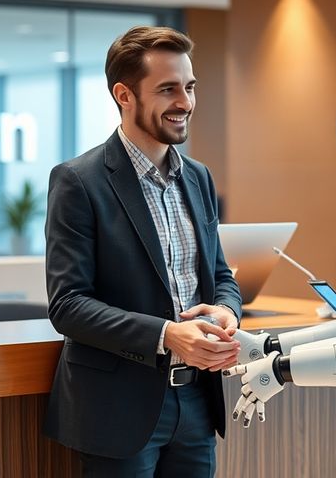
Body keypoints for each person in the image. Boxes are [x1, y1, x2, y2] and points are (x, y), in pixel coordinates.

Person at [43, 26, 242, 477]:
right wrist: (168, 335)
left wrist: (227, 310)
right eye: (168, 89)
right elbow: (68, 305)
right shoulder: (78, 181)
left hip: (197, 402)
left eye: (190, 87)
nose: (185, 102)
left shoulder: (199, 178)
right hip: (118, 409)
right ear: (124, 95)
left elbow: (220, 275)